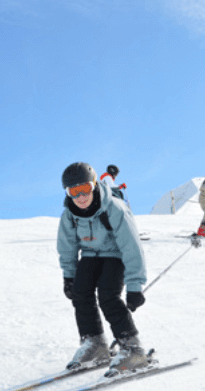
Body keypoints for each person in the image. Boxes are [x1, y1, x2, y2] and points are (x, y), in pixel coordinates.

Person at [57, 162, 149, 377]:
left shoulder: (114, 208)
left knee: (108, 296)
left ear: (95, 185)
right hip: (90, 255)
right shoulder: (70, 214)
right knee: (80, 294)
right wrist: (69, 276)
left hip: (115, 255)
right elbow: (67, 246)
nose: (80, 197)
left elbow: (131, 246)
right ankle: (94, 344)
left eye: (85, 189)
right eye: (74, 192)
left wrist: (135, 286)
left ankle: (132, 349)